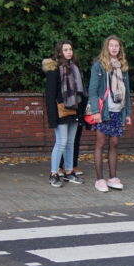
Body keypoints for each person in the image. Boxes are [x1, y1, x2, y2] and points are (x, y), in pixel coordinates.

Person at [86, 35, 131, 192]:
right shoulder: (99, 66)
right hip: (103, 112)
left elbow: (127, 92)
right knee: (100, 143)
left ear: (120, 49)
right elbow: (92, 91)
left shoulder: (122, 67)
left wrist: (128, 113)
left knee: (114, 143)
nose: (114, 48)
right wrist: (96, 111)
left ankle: (112, 177)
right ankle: (99, 179)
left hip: (118, 111)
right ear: (106, 47)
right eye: (111, 45)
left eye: (116, 46)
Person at [43, 40, 85, 188]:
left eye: (70, 49)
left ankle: (68, 172)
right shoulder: (54, 70)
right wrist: (52, 119)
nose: (69, 52)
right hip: (60, 111)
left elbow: (80, 94)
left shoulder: (74, 69)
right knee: (61, 142)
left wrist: (81, 113)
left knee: (70, 143)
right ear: (59, 52)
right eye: (66, 49)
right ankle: (53, 174)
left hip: (74, 110)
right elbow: (49, 96)